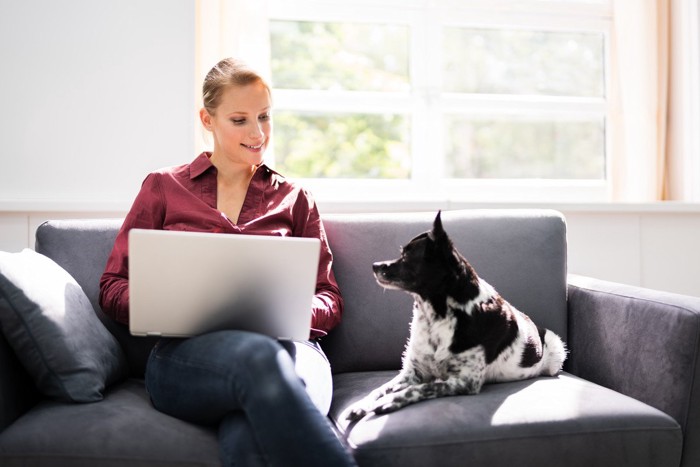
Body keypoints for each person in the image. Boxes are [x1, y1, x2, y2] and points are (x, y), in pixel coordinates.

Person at [99, 57, 357, 467]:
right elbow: (113, 285)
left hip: (292, 350)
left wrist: (287, 310)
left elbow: (328, 297)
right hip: (189, 357)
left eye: (265, 117)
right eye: (240, 120)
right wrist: (168, 304)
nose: (258, 133)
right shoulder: (163, 187)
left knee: (249, 426)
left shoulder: (296, 198)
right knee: (260, 360)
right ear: (208, 119)